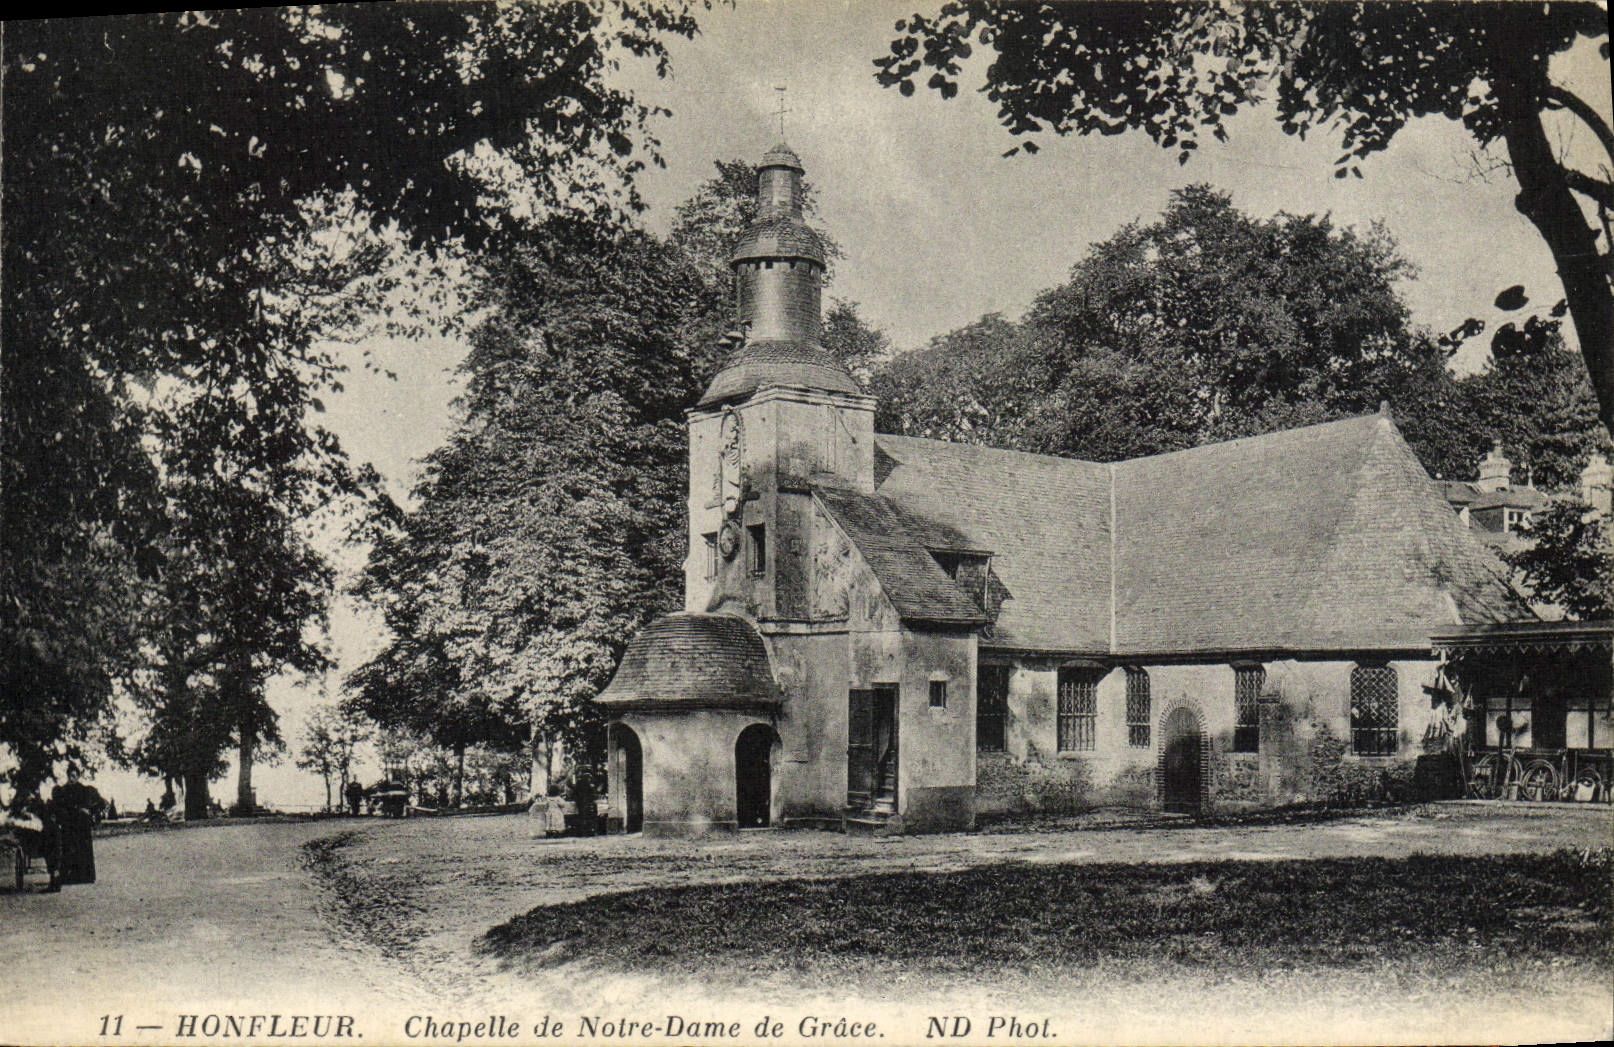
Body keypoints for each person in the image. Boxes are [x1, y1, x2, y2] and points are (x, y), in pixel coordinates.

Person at [48, 771, 101, 888]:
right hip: (69, 824)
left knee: (83, 849)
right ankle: (69, 877)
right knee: (68, 848)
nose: (71, 778)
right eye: (70, 776)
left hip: (82, 825)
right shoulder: (63, 790)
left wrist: (89, 812)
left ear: (78, 776)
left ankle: (85, 876)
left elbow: (96, 804)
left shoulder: (84, 790)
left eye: (74, 776)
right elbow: (59, 806)